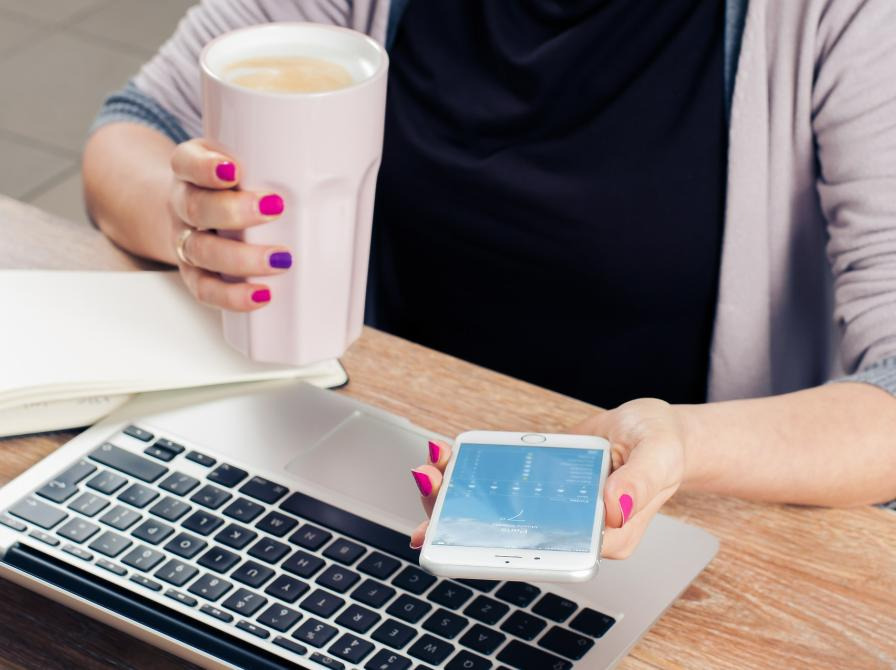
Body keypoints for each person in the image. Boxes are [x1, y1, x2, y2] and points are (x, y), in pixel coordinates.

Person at [83, 0, 896, 559]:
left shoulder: (839, 18)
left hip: (666, 534)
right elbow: (133, 130)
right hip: (357, 469)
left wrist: (683, 448)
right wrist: (195, 223)